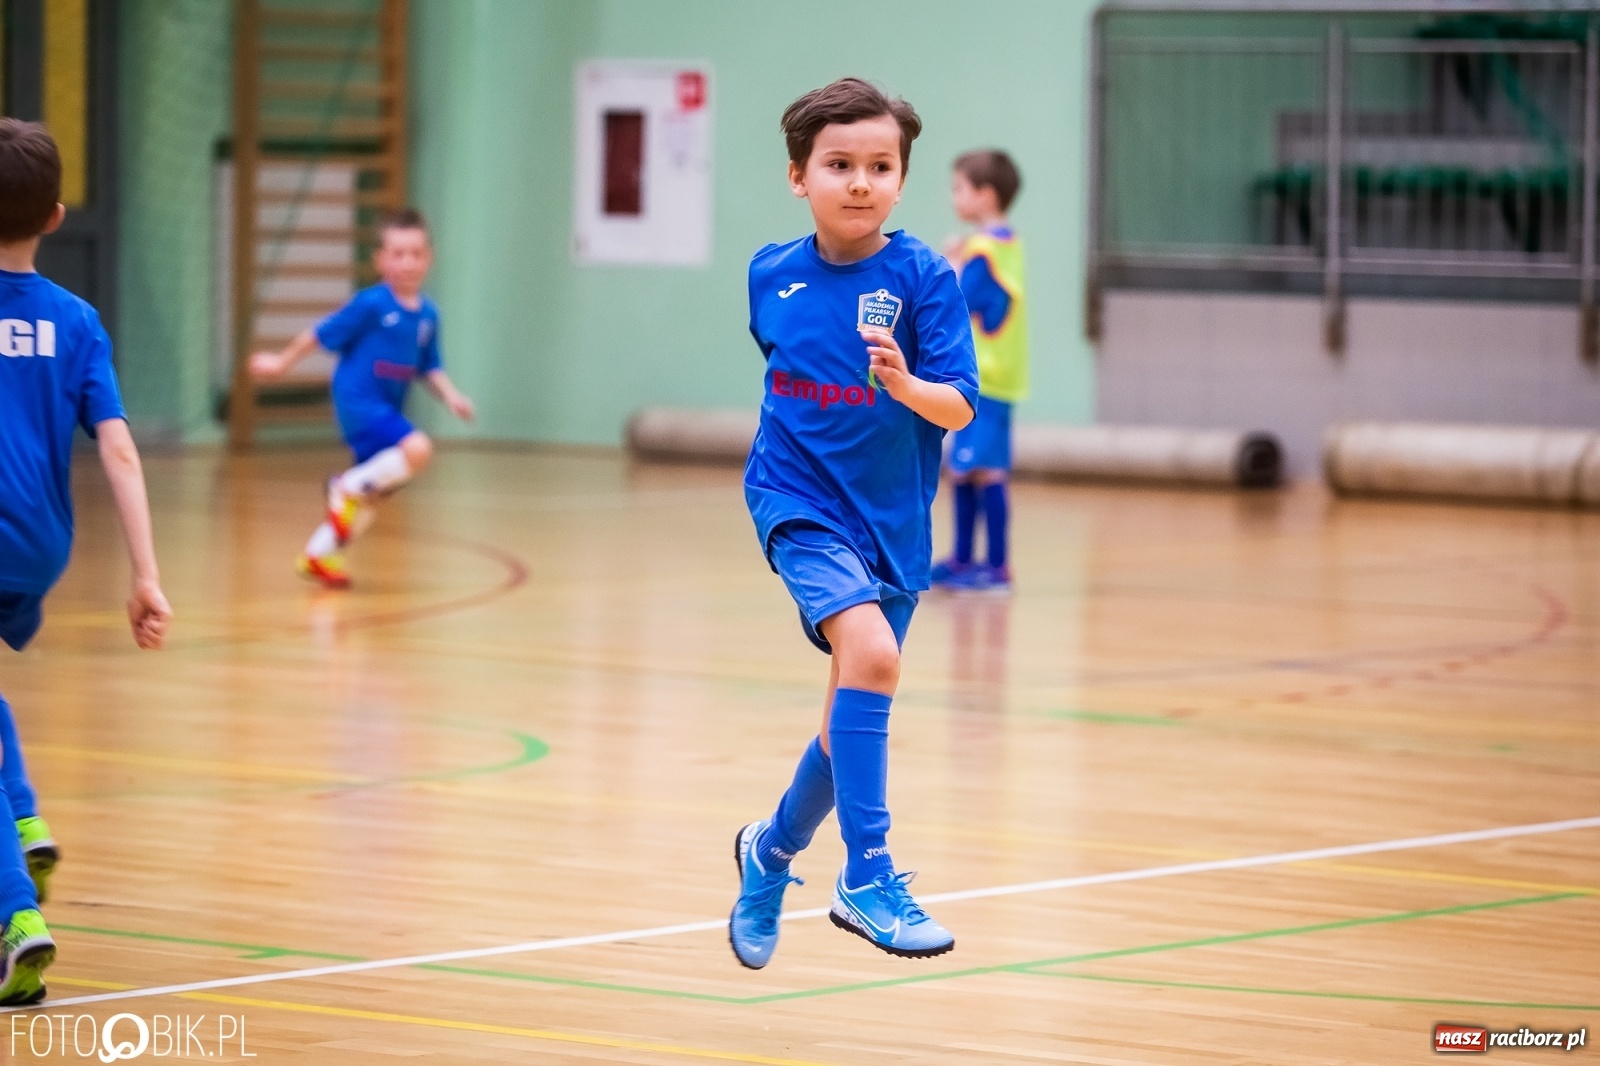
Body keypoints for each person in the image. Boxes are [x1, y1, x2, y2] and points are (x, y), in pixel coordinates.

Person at [729, 78, 978, 969]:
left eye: (881, 166)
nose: (861, 182)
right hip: (795, 501)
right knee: (872, 658)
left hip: (894, 524)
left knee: (847, 727)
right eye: (840, 165)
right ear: (800, 176)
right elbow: (783, 377)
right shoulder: (771, 272)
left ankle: (769, 851)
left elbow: (958, 409)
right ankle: (867, 877)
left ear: (902, 180)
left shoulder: (924, 279)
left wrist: (906, 387)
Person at [0, 118, 172, 1004]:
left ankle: (16, 915)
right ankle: (22, 814)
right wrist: (144, 574)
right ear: (58, 216)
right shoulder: (77, 321)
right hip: (41, 546)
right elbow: (119, 450)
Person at [251, 209, 475, 588]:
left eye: (416, 253)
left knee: (373, 499)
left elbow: (430, 366)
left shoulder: (428, 316)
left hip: (386, 407)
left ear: (430, 258)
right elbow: (319, 334)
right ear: (380, 260)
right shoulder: (370, 304)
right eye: (398, 253)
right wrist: (280, 363)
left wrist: (451, 396)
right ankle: (343, 486)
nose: (408, 262)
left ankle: (318, 555)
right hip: (358, 401)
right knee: (417, 449)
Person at [931, 150, 1028, 592]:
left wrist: (950, 262)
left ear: (986, 196)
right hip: (995, 376)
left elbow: (955, 300)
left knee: (985, 470)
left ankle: (996, 566)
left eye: (959, 188)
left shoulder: (984, 252)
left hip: (985, 378)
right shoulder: (1003, 245)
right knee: (966, 469)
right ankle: (965, 560)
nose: (954, 197)